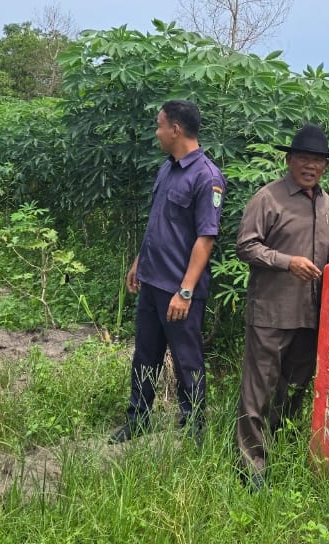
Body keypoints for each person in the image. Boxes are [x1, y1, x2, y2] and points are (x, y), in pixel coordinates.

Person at [111, 99, 226, 445]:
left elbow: (206, 238)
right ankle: (138, 419)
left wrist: (186, 290)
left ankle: (193, 427)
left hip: (179, 290)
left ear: (176, 129)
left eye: (160, 126)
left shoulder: (207, 177)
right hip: (152, 281)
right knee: (145, 355)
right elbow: (158, 223)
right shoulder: (166, 169)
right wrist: (138, 262)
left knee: (186, 359)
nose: (157, 132)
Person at [234, 124, 329, 488]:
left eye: (318, 160)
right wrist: (287, 261)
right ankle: (251, 467)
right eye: (304, 158)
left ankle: (277, 446)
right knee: (259, 389)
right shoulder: (268, 198)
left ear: (326, 166)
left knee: (294, 385)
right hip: (271, 311)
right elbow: (246, 246)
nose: (311, 166)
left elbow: (325, 251)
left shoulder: (326, 203)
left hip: (311, 314)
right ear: (289, 160)